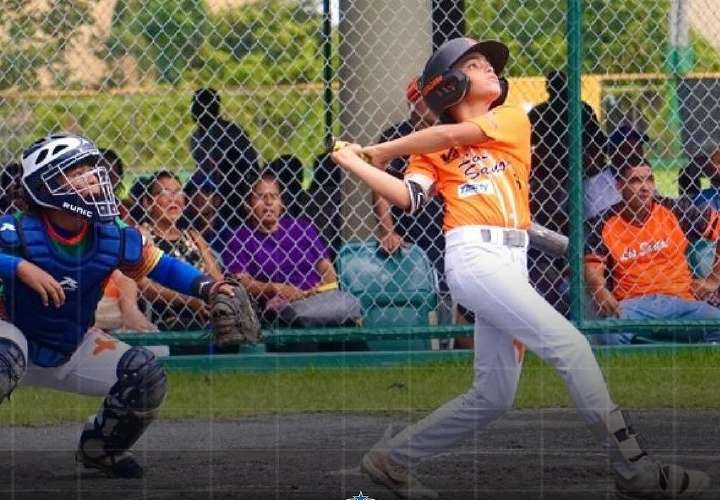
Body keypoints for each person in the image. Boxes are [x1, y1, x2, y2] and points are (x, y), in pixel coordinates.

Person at [330, 37, 708, 499]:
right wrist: (354, 162)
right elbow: (409, 197)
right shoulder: (427, 151)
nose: (491, 69)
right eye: (475, 64)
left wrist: (377, 149)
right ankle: (636, 470)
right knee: (572, 346)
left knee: (494, 396)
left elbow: (450, 135)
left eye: (489, 63)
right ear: (449, 86)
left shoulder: (509, 119)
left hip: (509, 262)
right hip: (473, 258)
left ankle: (392, 459)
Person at [0, 133, 239, 478]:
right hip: (12, 335)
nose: (93, 177)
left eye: (90, 169)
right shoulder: (16, 230)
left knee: (145, 375)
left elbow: (161, 266)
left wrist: (209, 286)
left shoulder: (110, 233)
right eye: (76, 171)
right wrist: (19, 266)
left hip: (70, 343)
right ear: (47, 184)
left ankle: (101, 450)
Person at [585, 161, 720, 344]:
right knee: (606, 332)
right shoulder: (603, 223)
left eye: (649, 180)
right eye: (635, 181)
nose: (645, 188)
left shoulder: (675, 210)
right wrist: (599, 290)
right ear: (620, 186)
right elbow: (592, 267)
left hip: (680, 300)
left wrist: (714, 279)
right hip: (634, 306)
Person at [527, 70, 605, 316]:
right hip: (547, 178)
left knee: (576, 223)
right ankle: (552, 267)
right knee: (550, 224)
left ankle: (571, 265)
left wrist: (579, 161)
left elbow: (598, 146)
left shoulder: (581, 110)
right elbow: (529, 149)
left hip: (575, 176)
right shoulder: (540, 113)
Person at [224, 170, 337, 324]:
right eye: (260, 196)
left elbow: (325, 266)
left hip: (317, 298)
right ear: (247, 205)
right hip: (278, 309)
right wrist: (275, 288)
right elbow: (241, 281)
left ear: (281, 203)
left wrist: (325, 288)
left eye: (274, 196)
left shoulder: (301, 227)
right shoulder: (240, 237)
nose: (269, 202)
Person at [137, 170, 224, 331]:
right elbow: (145, 286)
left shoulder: (192, 236)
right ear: (148, 203)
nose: (173, 199)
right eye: (164, 193)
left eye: (177, 192)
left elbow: (216, 277)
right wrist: (188, 301)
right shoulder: (142, 235)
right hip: (168, 317)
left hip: (207, 310)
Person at [190, 88, 260, 227]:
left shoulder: (231, 132)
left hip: (233, 192)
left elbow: (251, 165)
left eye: (204, 105)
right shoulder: (196, 137)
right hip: (208, 194)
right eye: (196, 105)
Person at [583, 123, 647, 221]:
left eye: (638, 148)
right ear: (612, 154)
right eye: (627, 149)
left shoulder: (646, 181)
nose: (635, 154)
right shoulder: (593, 188)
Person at [183, 171, 228, 256]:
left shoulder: (226, 234)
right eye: (193, 191)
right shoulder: (182, 228)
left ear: (217, 200)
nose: (199, 196)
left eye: (206, 191)